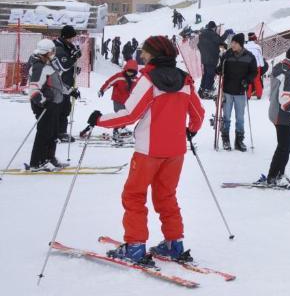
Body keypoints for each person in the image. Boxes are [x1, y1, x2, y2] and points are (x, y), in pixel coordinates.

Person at [86, 35, 204, 265]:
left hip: (148, 150)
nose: (142, 54)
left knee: (134, 195)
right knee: (166, 195)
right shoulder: (185, 80)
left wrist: (99, 120)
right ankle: (173, 243)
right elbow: (198, 114)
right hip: (175, 150)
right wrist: (191, 130)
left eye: (145, 51)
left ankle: (136, 246)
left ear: (154, 54)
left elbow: (130, 114)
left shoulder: (148, 79)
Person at [263, 47, 290, 186]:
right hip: (282, 114)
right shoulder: (288, 74)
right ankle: (273, 176)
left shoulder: (278, 67)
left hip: (275, 111)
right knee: (284, 147)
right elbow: (284, 98)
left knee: (284, 146)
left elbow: (274, 92)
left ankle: (279, 173)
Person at [26, 39, 68, 171]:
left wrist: (70, 91)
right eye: (52, 52)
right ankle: (37, 162)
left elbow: (56, 83)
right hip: (44, 106)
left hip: (53, 104)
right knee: (44, 133)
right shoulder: (38, 66)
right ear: (46, 52)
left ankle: (49, 158)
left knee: (53, 133)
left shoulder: (48, 64)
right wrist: (44, 102)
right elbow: (33, 90)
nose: (53, 54)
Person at [216, 34, 257, 151]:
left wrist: (247, 80)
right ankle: (225, 139)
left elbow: (253, 72)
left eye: (234, 43)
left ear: (240, 44)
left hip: (240, 91)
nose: (232, 45)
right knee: (227, 116)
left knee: (240, 118)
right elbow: (220, 69)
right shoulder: (227, 55)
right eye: (231, 42)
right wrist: (218, 69)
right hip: (227, 91)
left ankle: (239, 140)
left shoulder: (249, 56)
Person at [93, 59, 140, 144]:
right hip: (118, 100)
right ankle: (117, 131)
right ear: (125, 70)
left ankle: (121, 129)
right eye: (128, 72)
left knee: (125, 115)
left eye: (132, 72)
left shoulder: (136, 80)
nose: (130, 74)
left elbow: (140, 89)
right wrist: (102, 90)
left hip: (128, 102)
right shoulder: (119, 76)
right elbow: (109, 82)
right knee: (120, 115)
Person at [53, 25, 82, 143]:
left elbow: (72, 60)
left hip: (67, 82)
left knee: (65, 108)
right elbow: (65, 65)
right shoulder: (58, 47)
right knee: (61, 108)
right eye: (71, 38)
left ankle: (61, 132)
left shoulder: (67, 45)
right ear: (65, 37)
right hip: (59, 83)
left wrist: (75, 67)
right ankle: (58, 132)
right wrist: (73, 58)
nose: (72, 40)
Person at [196, 21, 221, 97]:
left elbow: (199, 45)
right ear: (213, 27)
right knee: (210, 74)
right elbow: (220, 40)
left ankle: (201, 89)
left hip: (205, 58)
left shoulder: (202, 34)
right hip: (212, 59)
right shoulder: (212, 34)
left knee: (206, 74)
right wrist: (227, 33)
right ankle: (207, 91)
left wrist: (204, 52)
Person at [244, 32, 266, 100]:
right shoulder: (257, 47)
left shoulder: (244, 46)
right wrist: (262, 65)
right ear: (254, 39)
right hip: (256, 66)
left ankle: (248, 95)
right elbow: (260, 58)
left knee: (248, 80)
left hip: (247, 66)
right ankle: (259, 95)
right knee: (257, 80)